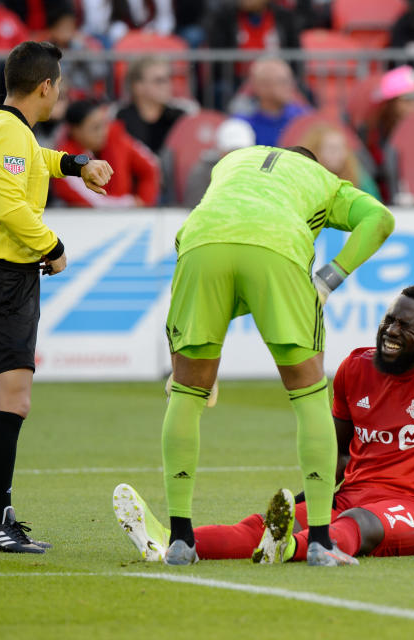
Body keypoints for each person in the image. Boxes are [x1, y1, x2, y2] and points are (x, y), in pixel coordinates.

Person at [113, 286, 414, 564]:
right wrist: (311, 496)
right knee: (259, 524)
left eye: (405, 327)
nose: (391, 331)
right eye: (389, 319)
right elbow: (338, 451)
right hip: (354, 493)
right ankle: (169, 543)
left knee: (355, 525)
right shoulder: (354, 369)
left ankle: (288, 549)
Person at [152, 144, 395, 566]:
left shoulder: (233, 161)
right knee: (309, 396)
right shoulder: (324, 183)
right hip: (277, 249)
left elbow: (227, 247)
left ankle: (180, 539)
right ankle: (320, 541)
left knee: (187, 396)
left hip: (199, 244)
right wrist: (328, 279)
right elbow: (381, 218)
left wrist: (192, 359)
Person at [0, 41, 113, 554]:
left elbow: (32, 160)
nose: (60, 95)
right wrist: (54, 246)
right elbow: (9, 207)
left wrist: (76, 164)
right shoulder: (8, 132)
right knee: (14, 402)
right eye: (59, 86)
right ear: (45, 86)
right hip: (3, 282)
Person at [53, 99, 161, 207]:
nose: (103, 132)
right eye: (95, 128)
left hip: (127, 218)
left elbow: (151, 166)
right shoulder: (64, 161)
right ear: (75, 130)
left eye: (104, 124)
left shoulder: (116, 138)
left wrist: (145, 202)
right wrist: (132, 204)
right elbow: (96, 204)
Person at [116, 58, 187, 154]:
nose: (168, 85)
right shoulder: (120, 119)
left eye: (169, 79)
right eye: (159, 80)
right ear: (137, 86)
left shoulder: (181, 117)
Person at [234, 57, 311, 147]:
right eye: (283, 81)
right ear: (262, 87)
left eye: (291, 80)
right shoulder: (242, 123)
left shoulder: (302, 117)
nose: (291, 86)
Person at [182, 118, 256, 207]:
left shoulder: (256, 170)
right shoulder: (202, 172)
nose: (236, 156)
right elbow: (195, 206)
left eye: (241, 151)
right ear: (220, 150)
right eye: (231, 151)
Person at [298, 123, 381, 201]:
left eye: (342, 148)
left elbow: (375, 204)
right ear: (315, 151)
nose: (340, 154)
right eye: (332, 149)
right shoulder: (305, 180)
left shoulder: (358, 177)